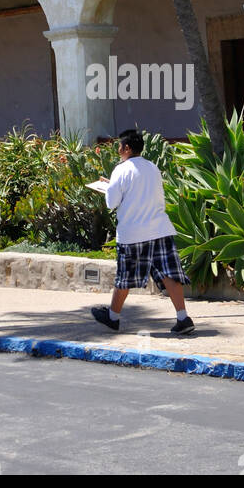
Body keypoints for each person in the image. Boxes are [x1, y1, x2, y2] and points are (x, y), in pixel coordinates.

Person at [91, 128, 194, 335]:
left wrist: (108, 188)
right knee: (169, 274)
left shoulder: (121, 169)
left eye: (119, 146)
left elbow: (112, 203)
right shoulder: (152, 167)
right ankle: (183, 318)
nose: (118, 149)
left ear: (127, 148)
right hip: (160, 229)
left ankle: (113, 317)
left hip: (133, 233)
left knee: (125, 277)